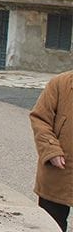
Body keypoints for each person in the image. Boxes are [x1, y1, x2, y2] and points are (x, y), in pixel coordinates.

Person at [30, 70, 72, 231]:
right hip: (59, 169)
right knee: (51, 224)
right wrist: (51, 150)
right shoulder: (60, 83)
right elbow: (40, 118)